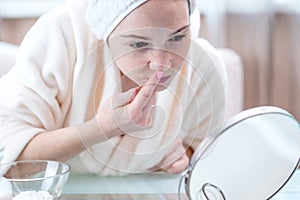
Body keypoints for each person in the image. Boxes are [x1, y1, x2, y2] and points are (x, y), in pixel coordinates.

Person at [0, 0, 226, 175]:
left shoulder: (202, 66)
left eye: (177, 37)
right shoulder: (58, 41)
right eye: (139, 43)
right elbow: (9, 163)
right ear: (105, 35)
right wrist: (100, 128)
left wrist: (182, 157)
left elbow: (209, 159)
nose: (162, 63)